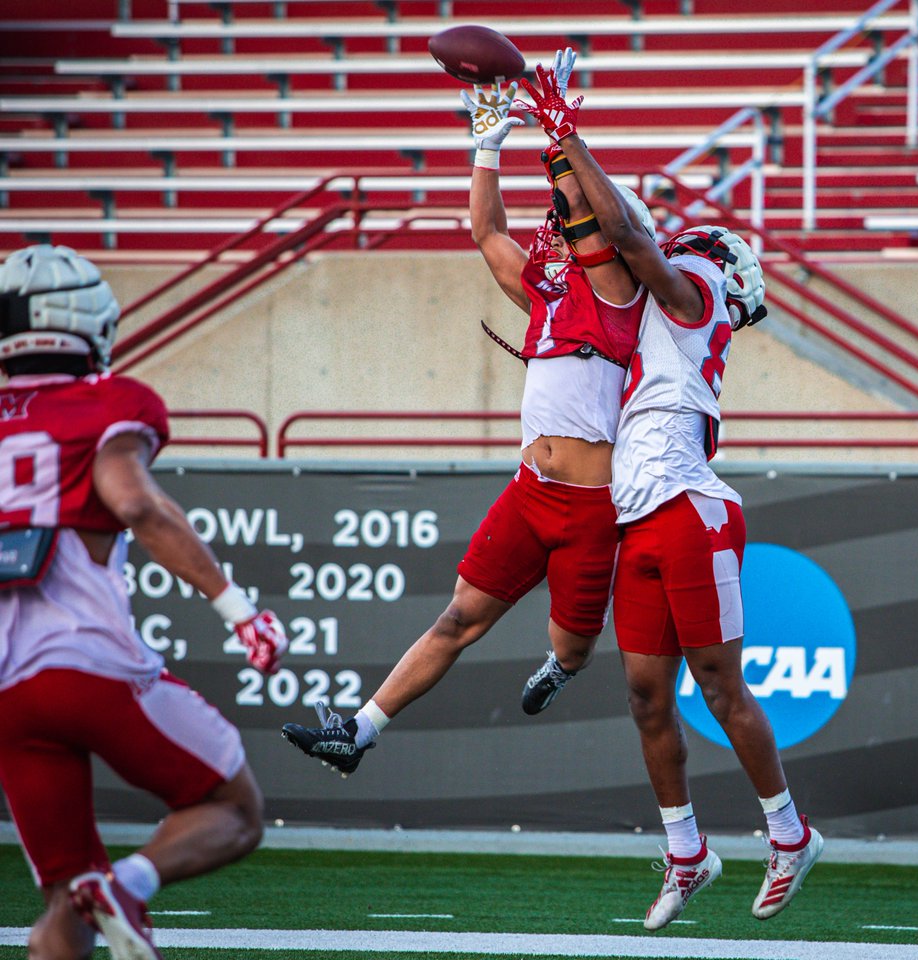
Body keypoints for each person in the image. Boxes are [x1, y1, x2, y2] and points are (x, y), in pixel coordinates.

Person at [281, 53, 651, 774]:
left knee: (573, 644)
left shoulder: (617, 290)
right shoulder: (550, 296)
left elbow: (591, 216)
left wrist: (557, 137)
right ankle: (359, 731)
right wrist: (486, 144)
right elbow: (487, 233)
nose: (558, 228)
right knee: (459, 617)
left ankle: (562, 668)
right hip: (530, 491)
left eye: (569, 220)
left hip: (591, 506)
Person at [518, 60, 823, 929]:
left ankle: (790, 833)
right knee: (648, 696)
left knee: (721, 689)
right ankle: (687, 852)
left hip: (692, 509)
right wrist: (557, 160)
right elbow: (599, 234)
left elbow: (629, 235)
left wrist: (564, 130)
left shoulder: (691, 298)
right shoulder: (653, 312)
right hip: (637, 520)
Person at [0, 244, 288, 960]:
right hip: (83, 665)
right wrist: (238, 610)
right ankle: (126, 884)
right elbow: (136, 503)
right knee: (235, 809)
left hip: (5, 694)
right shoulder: (112, 403)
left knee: (63, 900)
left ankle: (100, 893)